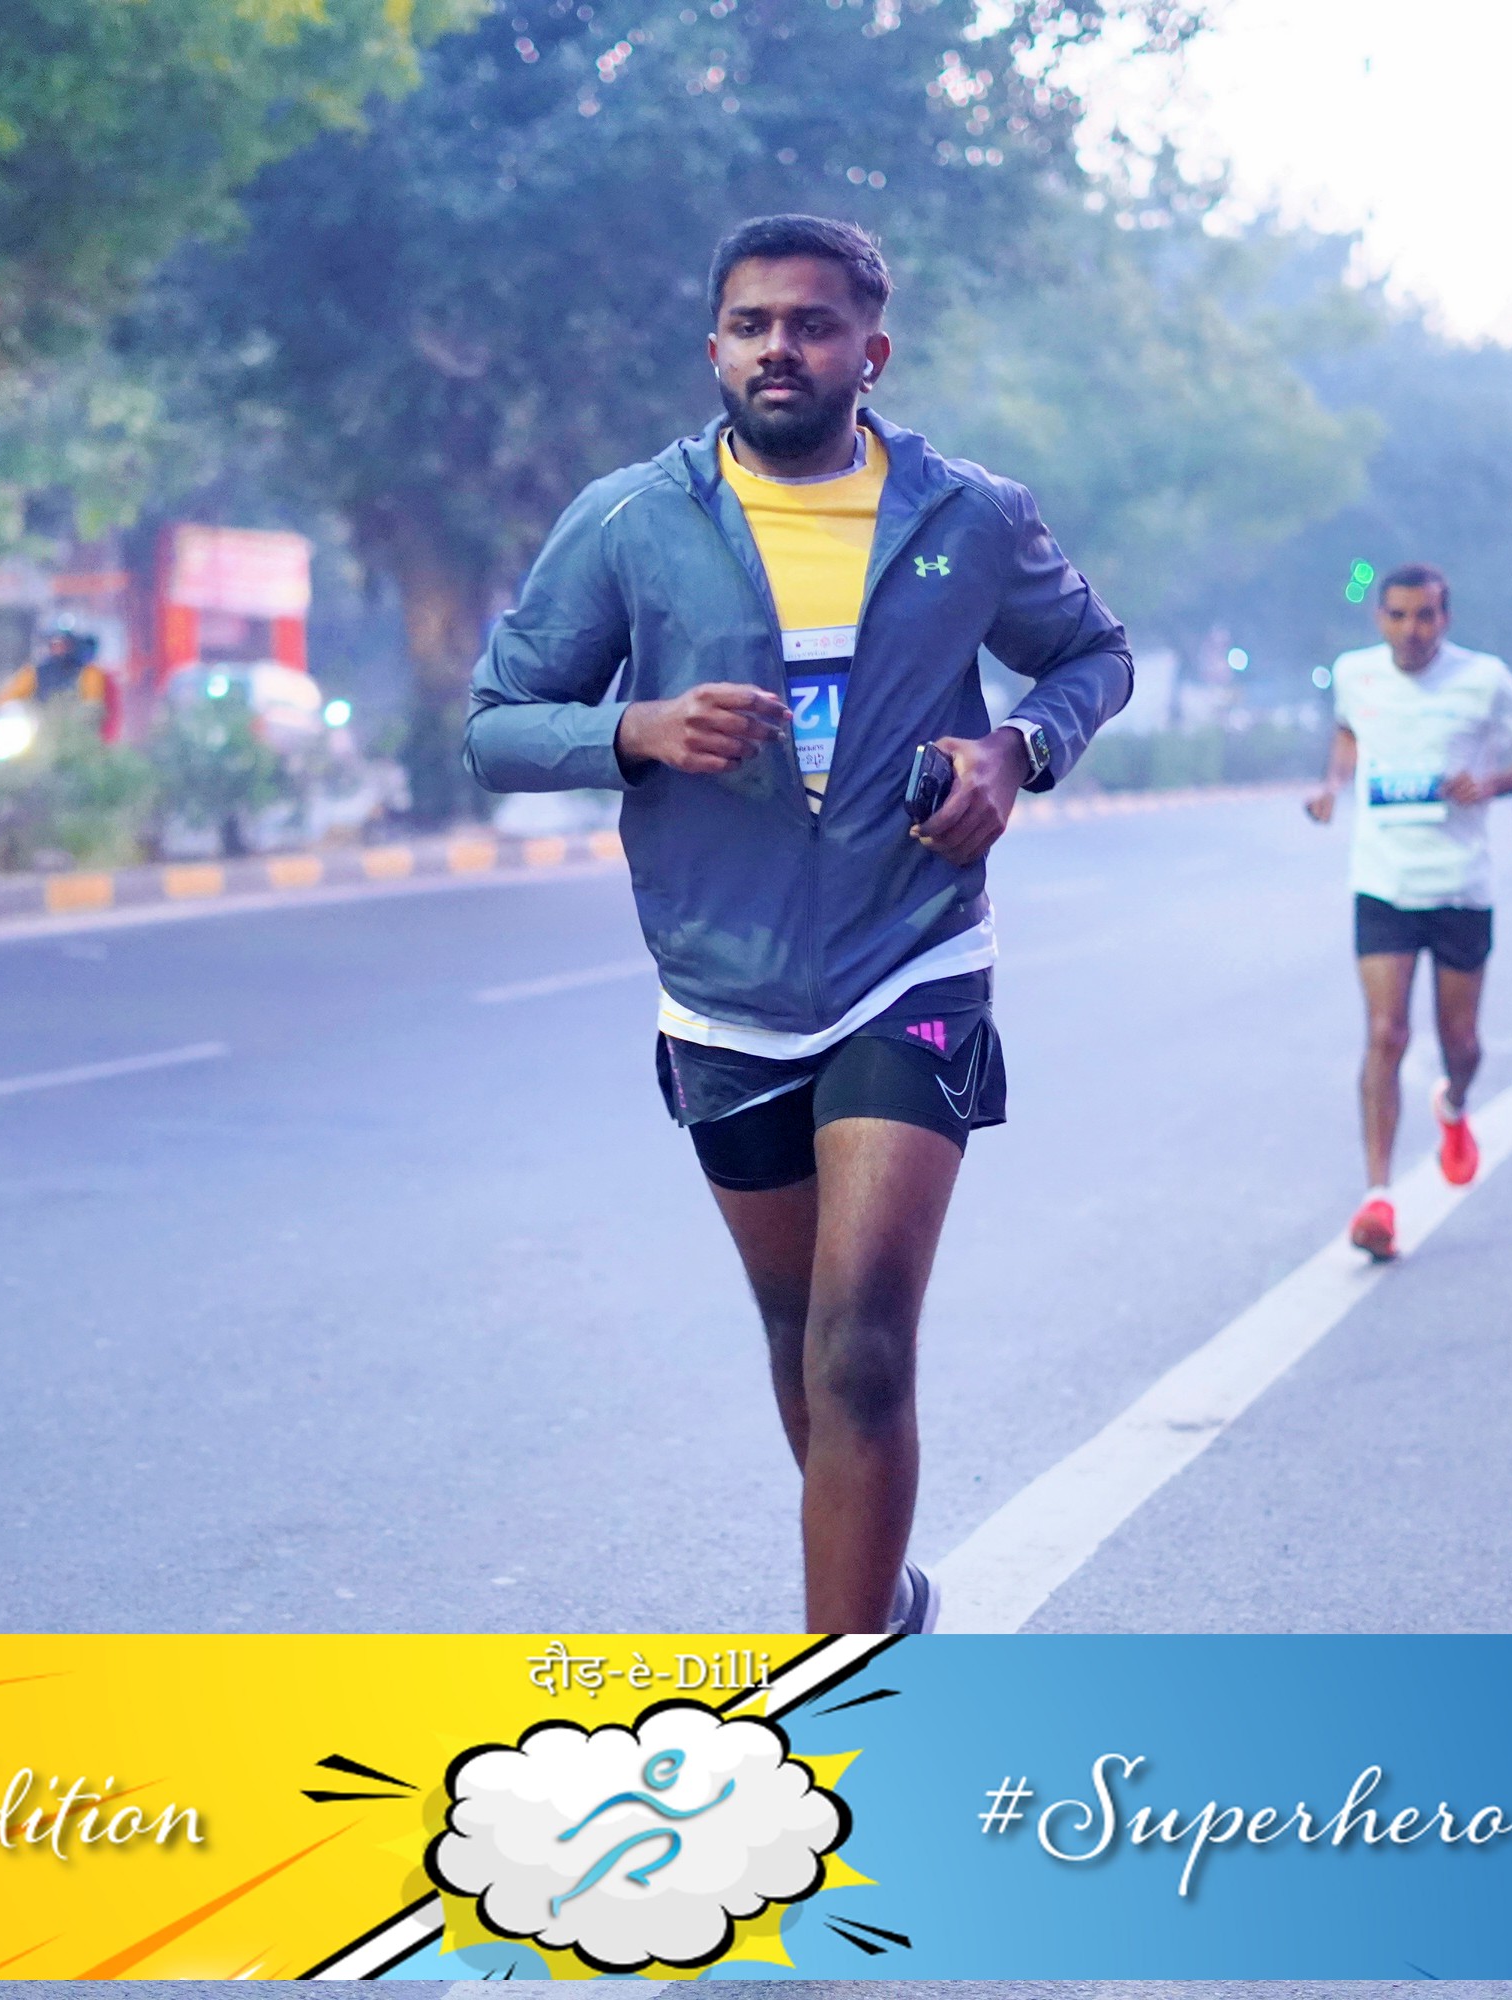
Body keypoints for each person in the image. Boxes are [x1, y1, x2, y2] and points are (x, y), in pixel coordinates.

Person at [463, 215, 1131, 1635]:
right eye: (754, 323)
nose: (782, 347)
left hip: (913, 955)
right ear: (714, 346)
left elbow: (1092, 652)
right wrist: (634, 729)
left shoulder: (970, 517)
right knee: (801, 1337)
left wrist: (1016, 752)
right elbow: (497, 726)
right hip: (723, 984)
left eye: (814, 325)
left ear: (869, 353)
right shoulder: (631, 522)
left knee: (864, 1342)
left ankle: (845, 1692)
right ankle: (883, 1598)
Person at [1305, 564, 1512, 1261]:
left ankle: (1452, 1105)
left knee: (1462, 1044)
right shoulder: (1355, 673)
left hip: (1459, 887)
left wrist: (1492, 783)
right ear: (1379, 618)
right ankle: (1377, 1199)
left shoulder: (1485, 679)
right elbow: (1348, 732)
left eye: (1425, 616)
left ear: (1445, 619)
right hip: (1383, 881)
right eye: (1398, 615)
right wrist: (1333, 784)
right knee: (1386, 1033)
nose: (1411, 630)